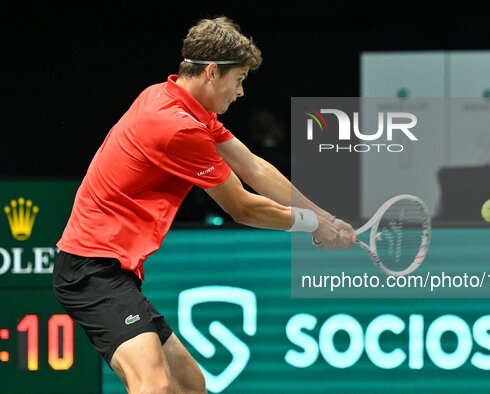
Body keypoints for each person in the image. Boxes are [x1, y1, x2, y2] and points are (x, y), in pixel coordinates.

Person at [53, 16, 356, 394]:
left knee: (189, 384)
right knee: (154, 386)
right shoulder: (176, 127)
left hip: (113, 270)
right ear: (212, 72)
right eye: (239, 80)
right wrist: (312, 227)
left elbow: (254, 167)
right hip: (92, 269)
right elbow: (242, 207)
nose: (242, 92)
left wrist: (326, 218)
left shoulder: (171, 100)